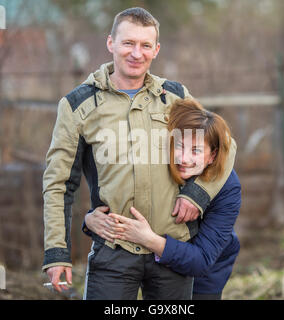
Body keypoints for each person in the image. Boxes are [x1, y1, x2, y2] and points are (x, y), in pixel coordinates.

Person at [42, 7, 236, 299]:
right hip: (114, 250)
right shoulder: (78, 106)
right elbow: (59, 184)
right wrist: (57, 252)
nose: (136, 53)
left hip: (172, 246)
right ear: (111, 44)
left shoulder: (175, 97)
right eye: (128, 43)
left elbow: (224, 145)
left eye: (145, 45)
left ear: (156, 49)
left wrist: (198, 193)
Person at [86, 98, 241, 300]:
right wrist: (91, 219)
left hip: (205, 264)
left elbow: (201, 260)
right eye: (179, 146)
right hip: (153, 257)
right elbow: (131, 200)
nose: (183, 158)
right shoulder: (159, 162)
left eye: (195, 150)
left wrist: (148, 239)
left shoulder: (228, 188)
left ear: (212, 156)